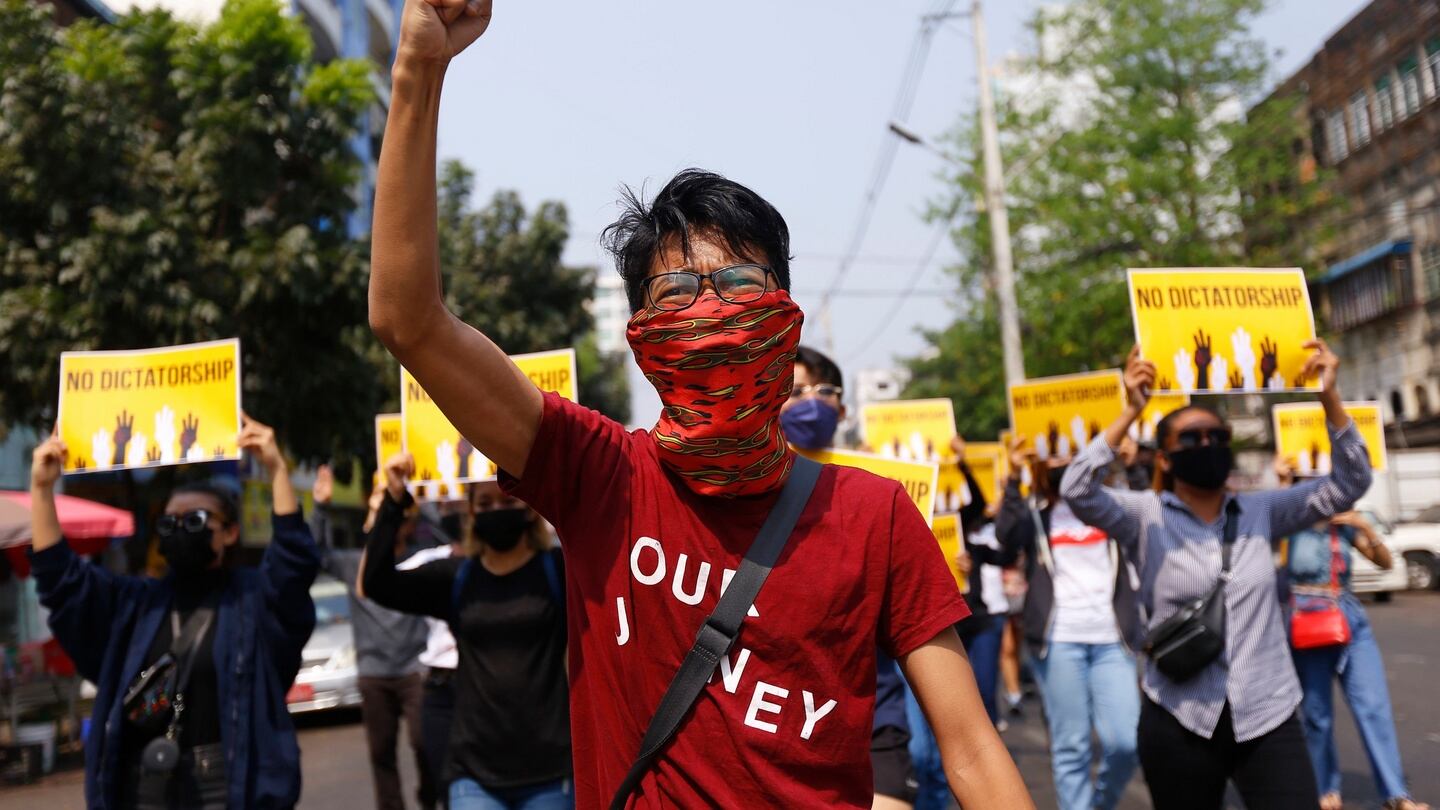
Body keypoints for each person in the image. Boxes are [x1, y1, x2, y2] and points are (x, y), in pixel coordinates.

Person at [368, 3, 1030, 806]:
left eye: (741, 284)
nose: (712, 310)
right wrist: (417, 73)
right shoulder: (595, 475)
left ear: (786, 318)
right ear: (643, 334)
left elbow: (970, 752)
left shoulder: (876, 516)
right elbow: (408, 320)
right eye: (677, 290)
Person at [1061, 341, 1371, 810]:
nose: (1207, 445)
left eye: (1217, 437)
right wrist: (1130, 412)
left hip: (1268, 714)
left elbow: (1351, 483)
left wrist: (1330, 397)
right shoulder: (1143, 515)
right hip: (1179, 716)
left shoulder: (1262, 509)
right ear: (1164, 458)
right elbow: (1077, 488)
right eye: (1191, 440)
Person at [28, 416, 319, 809]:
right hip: (146, 787)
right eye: (168, 523)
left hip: (229, 785)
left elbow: (292, 568)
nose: (179, 529)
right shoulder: (135, 605)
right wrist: (42, 488)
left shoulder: (251, 601)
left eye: (195, 520)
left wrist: (277, 470)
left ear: (229, 532)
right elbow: (62, 583)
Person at [361, 455, 572, 810]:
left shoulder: (559, 570)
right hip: (473, 774)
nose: (497, 509)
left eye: (508, 500)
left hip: (550, 771)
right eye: (485, 503)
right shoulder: (456, 578)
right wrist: (394, 501)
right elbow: (378, 584)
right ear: (471, 513)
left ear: (531, 507)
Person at [778, 345, 917, 810]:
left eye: (825, 391)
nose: (812, 402)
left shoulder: (883, 488)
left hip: (874, 713)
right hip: (782, 717)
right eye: (796, 392)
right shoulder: (748, 493)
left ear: (842, 407)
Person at [996, 433, 1142, 810]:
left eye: (1071, 453)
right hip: (1059, 641)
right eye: (1054, 455)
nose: (1063, 461)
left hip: (1113, 640)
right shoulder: (1037, 513)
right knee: (1071, 746)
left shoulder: (1111, 505)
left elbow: (1154, 516)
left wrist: (1134, 465)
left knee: (1126, 741)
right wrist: (1012, 478)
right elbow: (1006, 539)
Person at [1275, 461, 1430, 810]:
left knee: (1373, 707)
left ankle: (1396, 795)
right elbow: (1275, 535)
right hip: (1306, 620)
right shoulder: (1291, 522)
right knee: (1316, 713)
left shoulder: (1341, 524)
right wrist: (1283, 483)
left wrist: (1363, 526)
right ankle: (1325, 788)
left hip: (1350, 618)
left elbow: (1386, 563)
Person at [312, 466, 437, 810]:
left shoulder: (420, 557)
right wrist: (320, 508)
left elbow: (449, 540)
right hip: (374, 672)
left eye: (388, 508)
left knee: (425, 742)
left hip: (415, 669)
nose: (382, 513)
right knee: (381, 753)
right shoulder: (355, 564)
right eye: (375, 507)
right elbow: (316, 555)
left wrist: (420, 494)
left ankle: (431, 798)